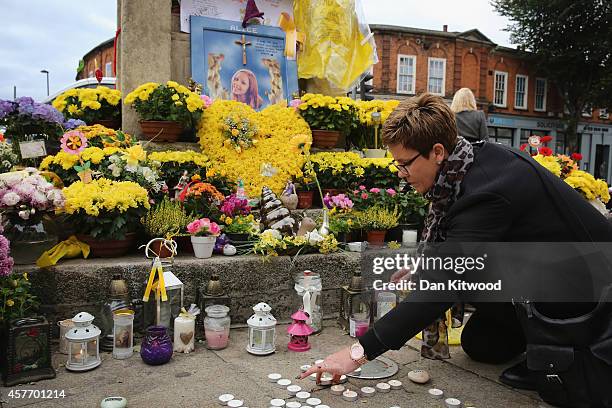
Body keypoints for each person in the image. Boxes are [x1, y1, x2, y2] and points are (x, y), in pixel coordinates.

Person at [301, 93, 612, 396]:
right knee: (481, 344)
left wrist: (358, 352)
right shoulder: (467, 162)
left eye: (406, 164)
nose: (402, 175)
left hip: (588, 287)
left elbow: (444, 286)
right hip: (543, 269)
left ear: (437, 151)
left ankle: (556, 355)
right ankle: (536, 346)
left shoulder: (486, 193)